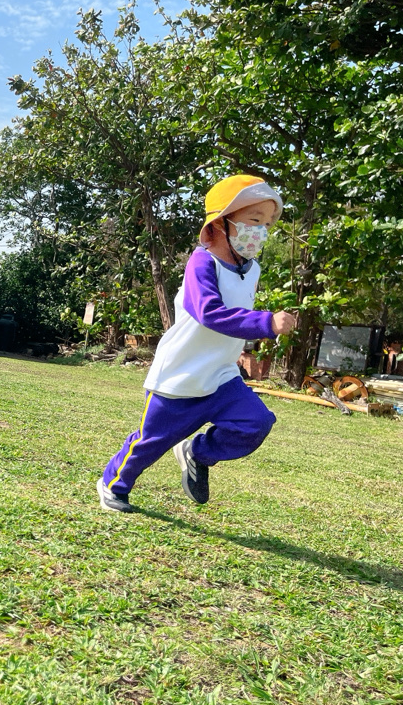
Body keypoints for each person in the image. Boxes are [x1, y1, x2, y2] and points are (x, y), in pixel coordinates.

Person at [97, 175, 298, 513]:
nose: (261, 232)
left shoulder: (252, 270)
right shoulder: (201, 262)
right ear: (220, 223)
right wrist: (266, 323)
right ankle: (113, 484)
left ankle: (197, 452)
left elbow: (234, 317)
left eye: (267, 224)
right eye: (254, 220)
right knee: (150, 442)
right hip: (181, 376)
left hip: (221, 376)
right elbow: (210, 313)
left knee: (256, 422)